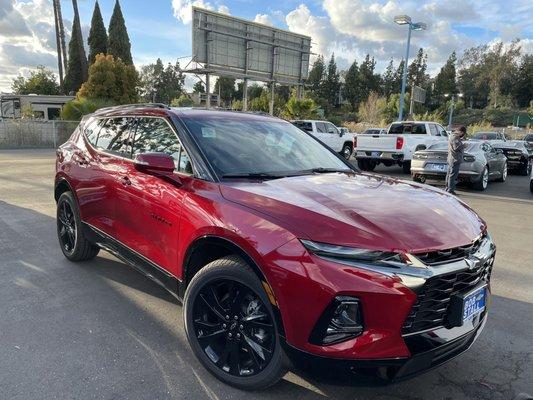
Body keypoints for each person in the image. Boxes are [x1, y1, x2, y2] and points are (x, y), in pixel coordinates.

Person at [445, 126, 466, 195]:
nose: (462, 135)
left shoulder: (452, 136)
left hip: (451, 158)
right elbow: (456, 148)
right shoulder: (455, 137)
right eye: (462, 133)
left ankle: (447, 188)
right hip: (455, 159)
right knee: (453, 175)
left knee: (449, 174)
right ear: (461, 132)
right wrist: (464, 146)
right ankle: (450, 190)